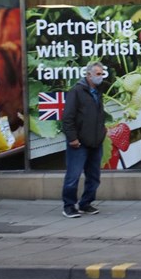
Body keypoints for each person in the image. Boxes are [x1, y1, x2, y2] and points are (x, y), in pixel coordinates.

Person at [60, 62, 108, 218]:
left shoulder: (97, 91)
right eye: (98, 74)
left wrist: (102, 132)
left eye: (102, 74)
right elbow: (67, 117)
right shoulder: (76, 91)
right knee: (73, 176)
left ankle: (86, 203)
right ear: (88, 75)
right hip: (79, 143)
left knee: (94, 176)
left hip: (96, 141)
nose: (101, 77)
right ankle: (69, 206)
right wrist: (72, 138)